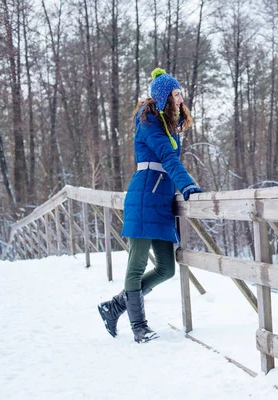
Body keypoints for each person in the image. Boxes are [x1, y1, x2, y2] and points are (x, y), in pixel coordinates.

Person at [97, 68, 202, 343]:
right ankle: (139, 326)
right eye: (176, 94)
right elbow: (167, 157)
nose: (181, 98)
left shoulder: (169, 126)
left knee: (167, 267)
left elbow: (170, 158)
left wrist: (178, 185)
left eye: (180, 93)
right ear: (164, 96)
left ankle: (115, 306)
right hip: (144, 197)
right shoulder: (148, 122)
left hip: (162, 200)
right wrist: (187, 183)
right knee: (136, 265)